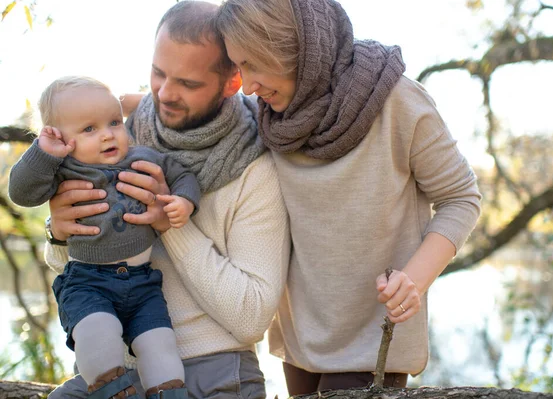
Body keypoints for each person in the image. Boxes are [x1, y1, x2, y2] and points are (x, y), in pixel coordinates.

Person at [216, 0, 483, 394]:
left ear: (299, 49)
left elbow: (460, 197)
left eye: (254, 64)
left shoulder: (399, 102)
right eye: (239, 66)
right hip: (299, 345)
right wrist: (127, 112)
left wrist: (414, 280)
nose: (248, 84)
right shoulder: (267, 115)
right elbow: (197, 124)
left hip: (374, 342)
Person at [43, 2, 290, 398]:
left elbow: (251, 318)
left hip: (214, 372)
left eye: (188, 84)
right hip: (115, 375)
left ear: (232, 82)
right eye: (158, 73)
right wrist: (58, 232)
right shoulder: (113, 138)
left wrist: (169, 224)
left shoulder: (255, 167)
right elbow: (66, 271)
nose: (164, 93)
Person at [9, 76, 201, 399]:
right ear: (62, 140)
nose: (107, 135)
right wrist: (43, 153)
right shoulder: (63, 170)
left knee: (161, 347)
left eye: (114, 122)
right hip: (88, 282)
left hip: (143, 284)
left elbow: (183, 174)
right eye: (89, 129)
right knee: (97, 336)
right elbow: (21, 192)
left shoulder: (142, 158)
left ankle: (168, 393)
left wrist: (183, 200)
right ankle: (112, 392)